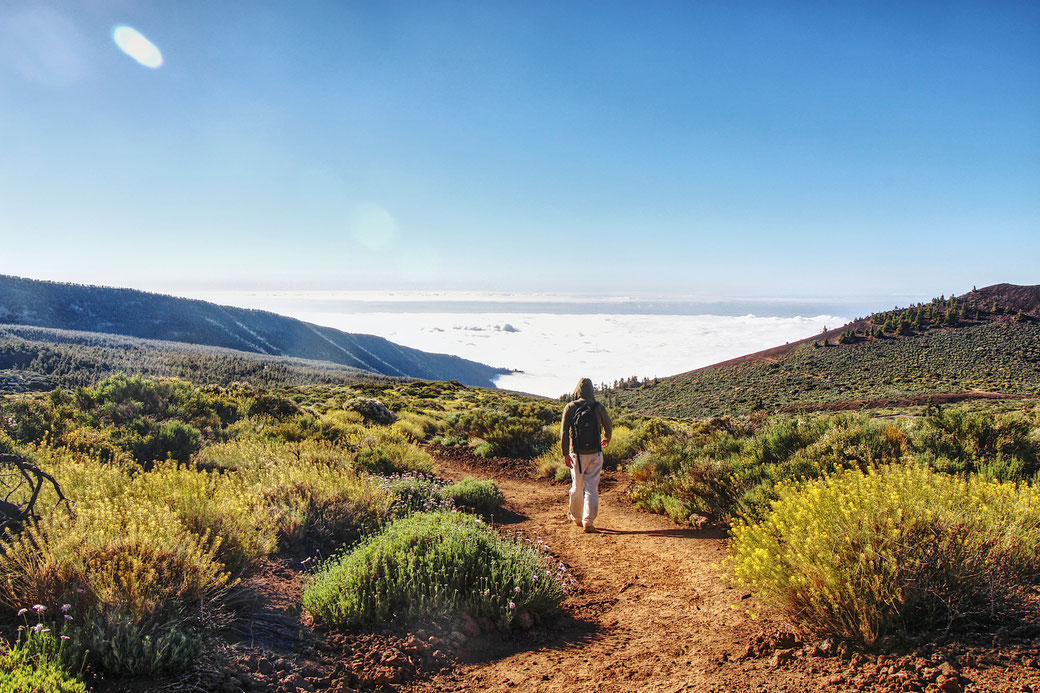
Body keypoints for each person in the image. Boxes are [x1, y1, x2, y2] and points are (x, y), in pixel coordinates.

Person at [560, 377, 612, 533]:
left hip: (577, 454)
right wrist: (606, 438)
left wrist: (565, 453)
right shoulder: (598, 407)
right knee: (592, 488)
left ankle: (576, 517)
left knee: (577, 486)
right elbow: (608, 426)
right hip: (595, 453)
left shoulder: (570, 407)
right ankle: (588, 520)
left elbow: (564, 433)